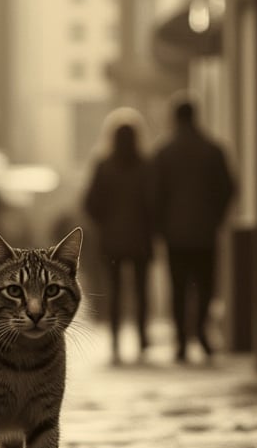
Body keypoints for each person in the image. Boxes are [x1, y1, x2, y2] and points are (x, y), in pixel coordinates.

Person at [150, 94, 236, 362]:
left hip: (175, 234)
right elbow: (229, 188)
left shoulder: (164, 153)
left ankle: (181, 342)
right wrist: (216, 217)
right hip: (205, 232)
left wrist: (161, 225)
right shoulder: (213, 150)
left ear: (175, 119)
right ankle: (201, 332)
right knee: (206, 285)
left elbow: (154, 195)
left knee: (178, 288)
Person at [82, 109, 154, 364]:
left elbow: (90, 203)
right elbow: (154, 201)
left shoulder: (103, 166)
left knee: (114, 290)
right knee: (141, 289)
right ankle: (143, 338)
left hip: (111, 240)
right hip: (141, 238)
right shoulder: (146, 165)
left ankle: (114, 339)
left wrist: (104, 222)